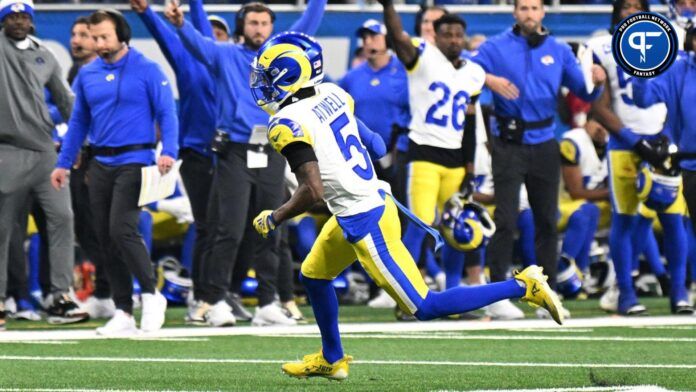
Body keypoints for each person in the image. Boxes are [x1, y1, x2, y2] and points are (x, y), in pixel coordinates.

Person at [249, 31, 564, 381]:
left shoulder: (286, 123)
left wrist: (274, 217)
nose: (262, 85)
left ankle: (523, 286)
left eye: (268, 76)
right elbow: (376, 144)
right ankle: (332, 357)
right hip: (371, 200)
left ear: (290, 75)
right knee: (314, 276)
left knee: (424, 306)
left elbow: (314, 191)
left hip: (364, 219)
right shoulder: (332, 92)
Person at [164, 0, 327, 327]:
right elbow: (197, 44)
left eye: (265, 23)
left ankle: (268, 303)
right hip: (234, 151)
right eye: (253, 22)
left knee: (273, 227)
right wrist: (180, 24)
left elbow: (308, 24)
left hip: (270, 150)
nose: (259, 29)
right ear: (242, 25)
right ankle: (215, 300)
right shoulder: (225, 55)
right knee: (229, 229)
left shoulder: (282, 57)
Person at [470, 0, 606, 316]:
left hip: (545, 142)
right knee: (505, 219)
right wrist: (487, 79)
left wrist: (597, 81)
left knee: (547, 220)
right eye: (523, 8)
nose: (529, 14)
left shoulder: (559, 51)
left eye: (534, 8)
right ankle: (496, 297)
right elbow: (465, 65)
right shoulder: (495, 47)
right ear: (515, 13)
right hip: (507, 142)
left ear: (543, 12)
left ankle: (547, 296)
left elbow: (584, 93)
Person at [51, 9, 178, 335]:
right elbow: (79, 122)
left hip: (136, 160)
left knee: (122, 228)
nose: (98, 42)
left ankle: (151, 295)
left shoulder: (148, 69)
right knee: (104, 237)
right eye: (94, 37)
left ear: (122, 35)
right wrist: (64, 163)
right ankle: (123, 309)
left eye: (104, 36)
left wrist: (169, 153)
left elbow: (167, 112)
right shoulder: (88, 74)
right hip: (100, 163)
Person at [130, 0, 236, 325]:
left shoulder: (231, 67)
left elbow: (201, 30)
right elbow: (170, 37)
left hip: (229, 155)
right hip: (196, 154)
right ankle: (204, 299)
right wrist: (147, 13)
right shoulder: (187, 64)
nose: (211, 37)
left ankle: (216, 295)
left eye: (220, 33)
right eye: (209, 32)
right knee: (207, 227)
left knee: (226, 229)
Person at [588, 0, 692, 314]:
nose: (631, 11)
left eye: (637, 5)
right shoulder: (601, 47)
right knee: (626, 219)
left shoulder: (670, 37)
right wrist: (635, 141)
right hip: (624, 145)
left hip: (663, 142)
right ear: (616, 12)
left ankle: (680, 294)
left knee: (674, 219)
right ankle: (626, 294)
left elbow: (677, 91)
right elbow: (600, 107)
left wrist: (666, 138)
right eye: (625, 6)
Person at [380, 1, 482, 309]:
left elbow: (471, 124)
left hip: (455, 160)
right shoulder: (422, 56)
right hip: (423, 155)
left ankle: (452, 291)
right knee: (422, 222)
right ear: (435, 37)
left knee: (456, 226)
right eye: (447, 34)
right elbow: (397, 37)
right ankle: (404, 296)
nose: (453, 39)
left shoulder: (474, 72)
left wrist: (469, 166)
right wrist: (388, 5)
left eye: (458, 34)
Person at [0, 0, 90, 330]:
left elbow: (67, 102)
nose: (19, 21)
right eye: (12, 16)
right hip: (5, 150)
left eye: (25, 16)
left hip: (44, 151)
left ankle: (60, 295)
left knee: (63, 218)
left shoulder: (45, 55)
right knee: (3, 227)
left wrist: (79, 143)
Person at [630, 16, 696, 313]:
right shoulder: (679, 69)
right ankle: (684, 289)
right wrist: (642, 68)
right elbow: (643, 98)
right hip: (690, 163)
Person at [66, 15, 116, 320]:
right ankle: (103, 291)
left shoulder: (99, 73)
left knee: (103, 230)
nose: (78, 40)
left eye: (85, 34)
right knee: (88, 230)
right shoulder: (77, 70)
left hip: (97, 160)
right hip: (82, 159)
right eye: (75, 34)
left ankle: (110, 292)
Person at [556, 116, 609, 297]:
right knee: (587, 212)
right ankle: (564, 272)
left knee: (635, 214)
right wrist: (613, 193)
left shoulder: (615, 143)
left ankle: (631, 277)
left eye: (605, 123)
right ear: (587, 122)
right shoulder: (572, 142)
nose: (601, 128)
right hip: (563, 204)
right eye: (597, 122)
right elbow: (575, 192)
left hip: (597, 204)